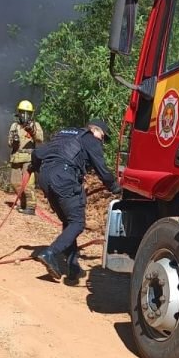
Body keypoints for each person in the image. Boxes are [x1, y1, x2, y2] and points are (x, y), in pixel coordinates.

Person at [31, 119, 121, 282]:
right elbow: (102, 168)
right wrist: (115, 186)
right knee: (78, 223)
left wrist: (35, 168)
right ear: (96, 130)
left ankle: (73, 267)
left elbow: (37, 153)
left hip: (46, 177)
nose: (102, 140)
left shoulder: (64, 134)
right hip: (64, 178)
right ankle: (50, 253)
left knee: (69, 221)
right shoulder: (90, 139)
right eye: (102, 136)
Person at [8, 100, 44, 215]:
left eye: (27, 113)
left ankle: (31, 206)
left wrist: (31, 131)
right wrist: (13, 141)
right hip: (16, 156)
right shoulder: (14, 126)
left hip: (28, 158)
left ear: (31, 114)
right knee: (15, 183)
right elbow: (9, 143)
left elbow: (40, 139)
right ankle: (23, 203)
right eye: (22, 112)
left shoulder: (35, 125)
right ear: (18, 112)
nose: (25, 115)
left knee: (28, 184)